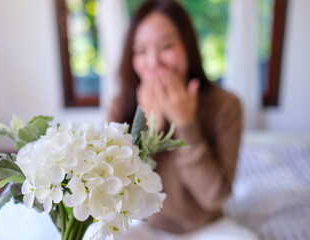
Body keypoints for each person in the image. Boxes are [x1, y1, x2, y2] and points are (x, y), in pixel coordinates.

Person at [107, 0, 257, 239]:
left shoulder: (225, 105)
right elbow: (117, 192)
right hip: (144, 226)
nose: (153, 63)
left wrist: (186, 124)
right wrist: (150, 133)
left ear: (188, 47)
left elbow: (214, 197)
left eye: (166, 46)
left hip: (207, 227)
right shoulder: (122, 104)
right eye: (141, 51)